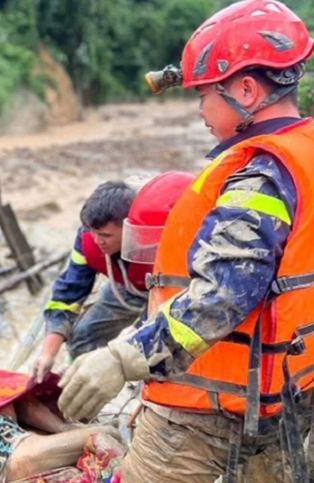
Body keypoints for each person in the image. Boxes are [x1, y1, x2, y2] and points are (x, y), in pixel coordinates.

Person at [57, 1, 314, 482]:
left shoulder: (258, 177)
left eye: (204, 95)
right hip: (286, 397)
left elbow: (221, 295)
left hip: (206, 406)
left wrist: (122, 357)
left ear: (246, 90)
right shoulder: (305, 154)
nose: (199, 109)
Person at [33, 181, 144, 381]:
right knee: (82, 336)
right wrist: (47, 354)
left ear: (130, 228)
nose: (96, 241)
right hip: (125, 288)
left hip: (164, 291)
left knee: (142, 348)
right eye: (93, 232)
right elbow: (69, 294)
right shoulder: (88, 236)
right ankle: (80, 395)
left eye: (105, 235)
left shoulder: (155, 238)